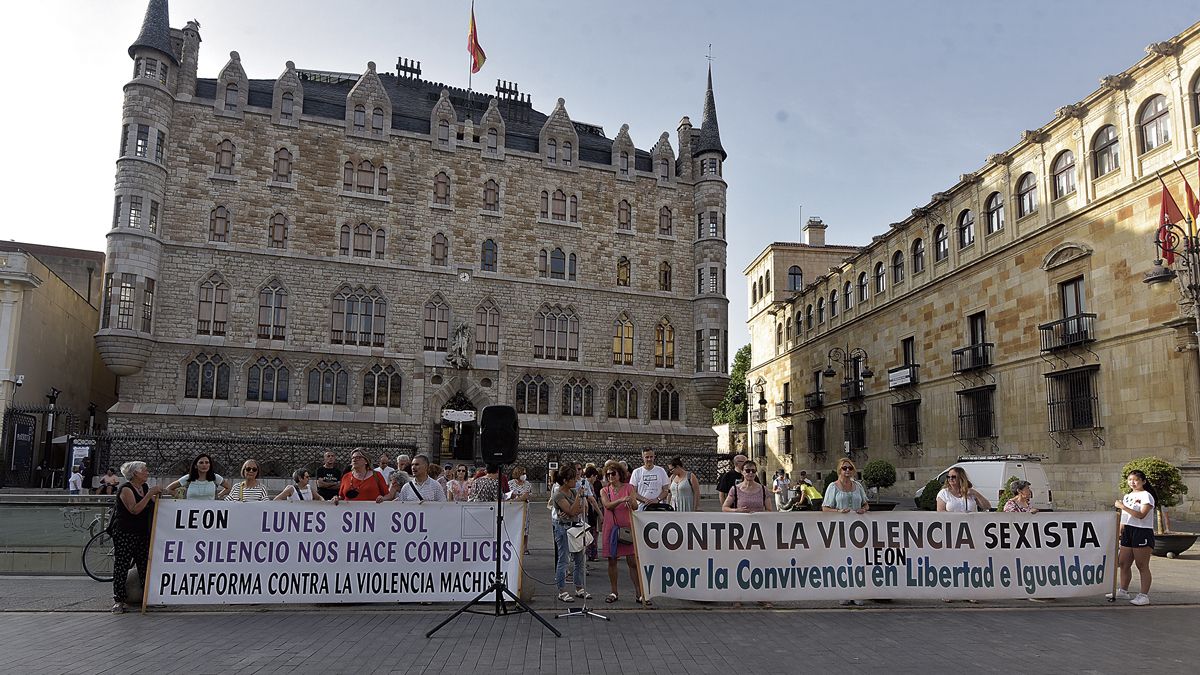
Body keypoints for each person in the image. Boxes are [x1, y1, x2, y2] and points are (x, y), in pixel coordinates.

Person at [110, 461, 162, 614]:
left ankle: (148, 598)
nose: (147, 472)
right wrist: (149, 494)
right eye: (144, 470)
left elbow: (154, 502)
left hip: (142, 533)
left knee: (144, 564)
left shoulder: (144, 488)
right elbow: (134, 510)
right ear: (135, 474)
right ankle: (119, 599)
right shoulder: (126, 489)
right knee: (122, 564)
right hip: (125, 532)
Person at [822, 458, 868, 606]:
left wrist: (863, 509)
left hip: (858, 531)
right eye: (844, 468)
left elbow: (866, 503)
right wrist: (839, 511)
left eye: (849, 468)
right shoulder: (833, 487)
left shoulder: (858, 486)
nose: (847, 471)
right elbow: (825, 508)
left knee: (858, 560)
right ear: (839, 470)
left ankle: (858, 591)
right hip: (840, 530)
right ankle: (844, 592)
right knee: (843, 560)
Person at [600, 462, 645, 604]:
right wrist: (621, 500)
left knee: (632, 561)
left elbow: (635, 506)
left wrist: (630, 501)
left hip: (626, 528)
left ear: (620, 474)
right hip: (611, 529)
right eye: (608, 474)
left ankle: (639, 593)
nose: (610, 476)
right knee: (612, 560)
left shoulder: (629, 488)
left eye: (613, 473)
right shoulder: (604, 491)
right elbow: (607, 505)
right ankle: (614, 592)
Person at [1111, 469, 1157, 606]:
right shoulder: (1127, 496)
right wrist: (1120, 532)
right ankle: (1123, 591)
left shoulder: (1146, 496)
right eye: (1130, 480)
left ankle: (1144, 595)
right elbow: (1125, 518)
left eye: (1135, 480)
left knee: (1141, 564)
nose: (1132, 482)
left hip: (1142, 531)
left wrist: (1122, 506)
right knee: (1123, 562)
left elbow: (1141, 515)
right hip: (1128, 531)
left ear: (1143, 481)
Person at [551, 464, 590, 602]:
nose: (576, 481)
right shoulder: (558, 494)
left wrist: (573, 509)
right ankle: (562, 590)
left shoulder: (572, 492)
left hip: (575, 527)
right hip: (563, 529)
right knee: (564, 559)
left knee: (580, 558)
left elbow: (584, 507)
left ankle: (579, 587)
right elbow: (573, 511)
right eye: (573, 479)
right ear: (566, 480)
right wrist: (575, 506)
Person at [166, 453, 230, 500]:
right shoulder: (188, 478)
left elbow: (228, 488)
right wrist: (181, 497)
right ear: (196, 466)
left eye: (207, 462)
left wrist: (218, 496)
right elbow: (169, 489)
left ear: (210, 465)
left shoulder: (215, 477)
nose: (204, 465)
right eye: (201, 463)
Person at [508, 465, 533, 554]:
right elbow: (509, 495)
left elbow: (528, 495)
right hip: (514, 508)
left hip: (525, 508)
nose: (524, 475)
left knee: (525, 527)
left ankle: (525, 547)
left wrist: (520, 497)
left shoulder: (527, 484)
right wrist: (520, 497)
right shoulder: (510, 483)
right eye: (523, 473)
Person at [583, 465, 603, 560]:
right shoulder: (588, 484)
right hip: (590, 513)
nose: (595, 479)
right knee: (592, 534)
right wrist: (600, 513)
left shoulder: (587, 483)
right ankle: (591, 554)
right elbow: (592, 500)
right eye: (595, 476)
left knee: (590, 533)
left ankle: (590, 554)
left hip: (590, 512)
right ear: (592, 476)